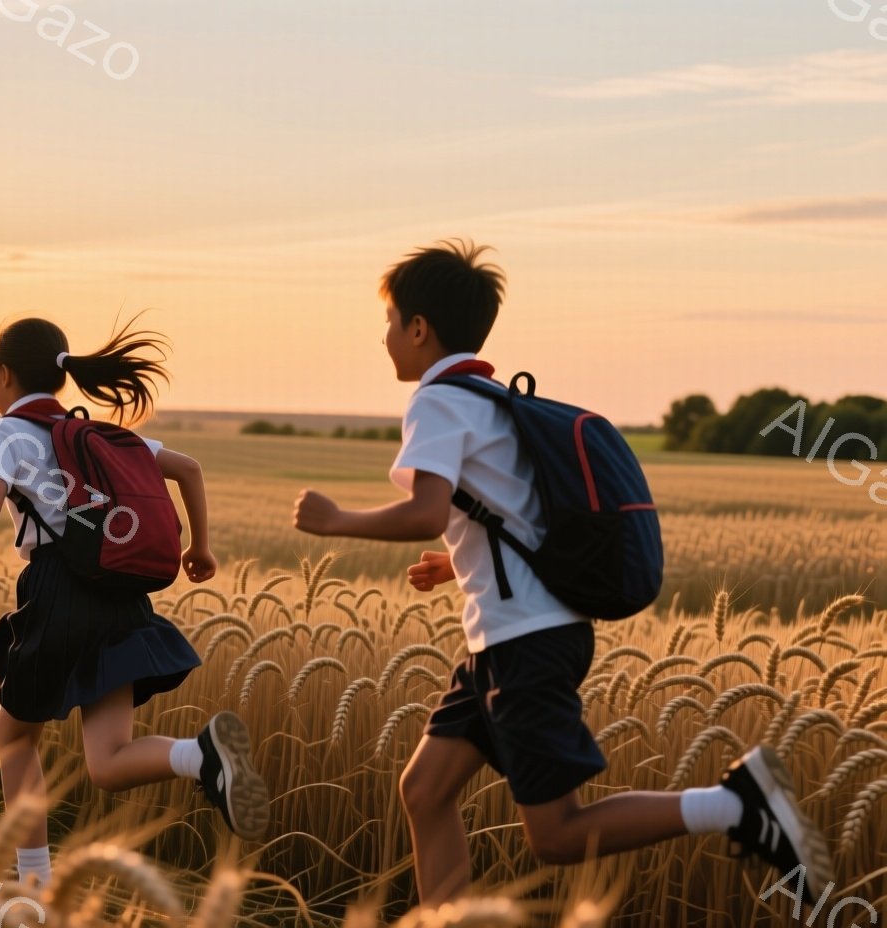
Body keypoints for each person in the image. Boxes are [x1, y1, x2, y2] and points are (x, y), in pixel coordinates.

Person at [292, 239, 833, 905]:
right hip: (508, 640)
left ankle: (736, 806)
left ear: (420, 328)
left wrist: (335, 519)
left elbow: (426, 511)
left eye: (390, 322)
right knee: (424, 791)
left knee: (555, 833)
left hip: (524, 643)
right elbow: (510, 515)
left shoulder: (437, 402)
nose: (385, 338)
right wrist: (458, 562)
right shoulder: (491, 399)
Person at [0, 316, 270, 886]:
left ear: (4, 375)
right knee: (108, 761)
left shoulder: (6, 433)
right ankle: (199, 755)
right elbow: (188, 469)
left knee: (14, 736)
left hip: (58, 594)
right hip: (120, 597)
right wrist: (200, 546)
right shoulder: (99, 435)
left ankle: (33, 880)